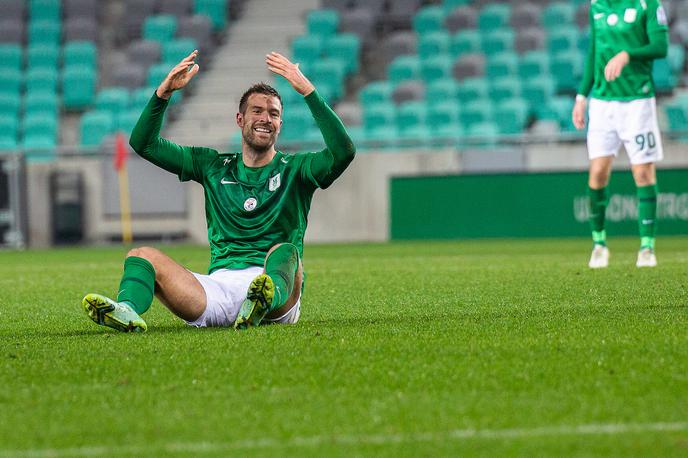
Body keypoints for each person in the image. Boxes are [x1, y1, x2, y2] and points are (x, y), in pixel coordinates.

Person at [82, 50, 356, 332]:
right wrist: (163, 93)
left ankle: (261, 299)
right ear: (240, 119)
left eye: (273, 114)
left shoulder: (297, 168)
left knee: (285, 251)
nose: (265, 118)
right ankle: (126, 310)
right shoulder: (213, 165)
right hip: (217, 290)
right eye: (257, 111)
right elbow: (144, 144)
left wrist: (307, 90)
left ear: (280, 125)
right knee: (141, 256)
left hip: (277, 292)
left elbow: (343, 152)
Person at [572, 0, 668, 268]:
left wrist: (628, 54)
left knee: (643, 173)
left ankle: (647, 248)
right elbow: (594, 51)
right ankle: (599, 244)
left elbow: (660, 47)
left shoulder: (647, 4)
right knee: (598, 173)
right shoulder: (597, 6)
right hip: (602, 104)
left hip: (638, 102)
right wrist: (581, 96)